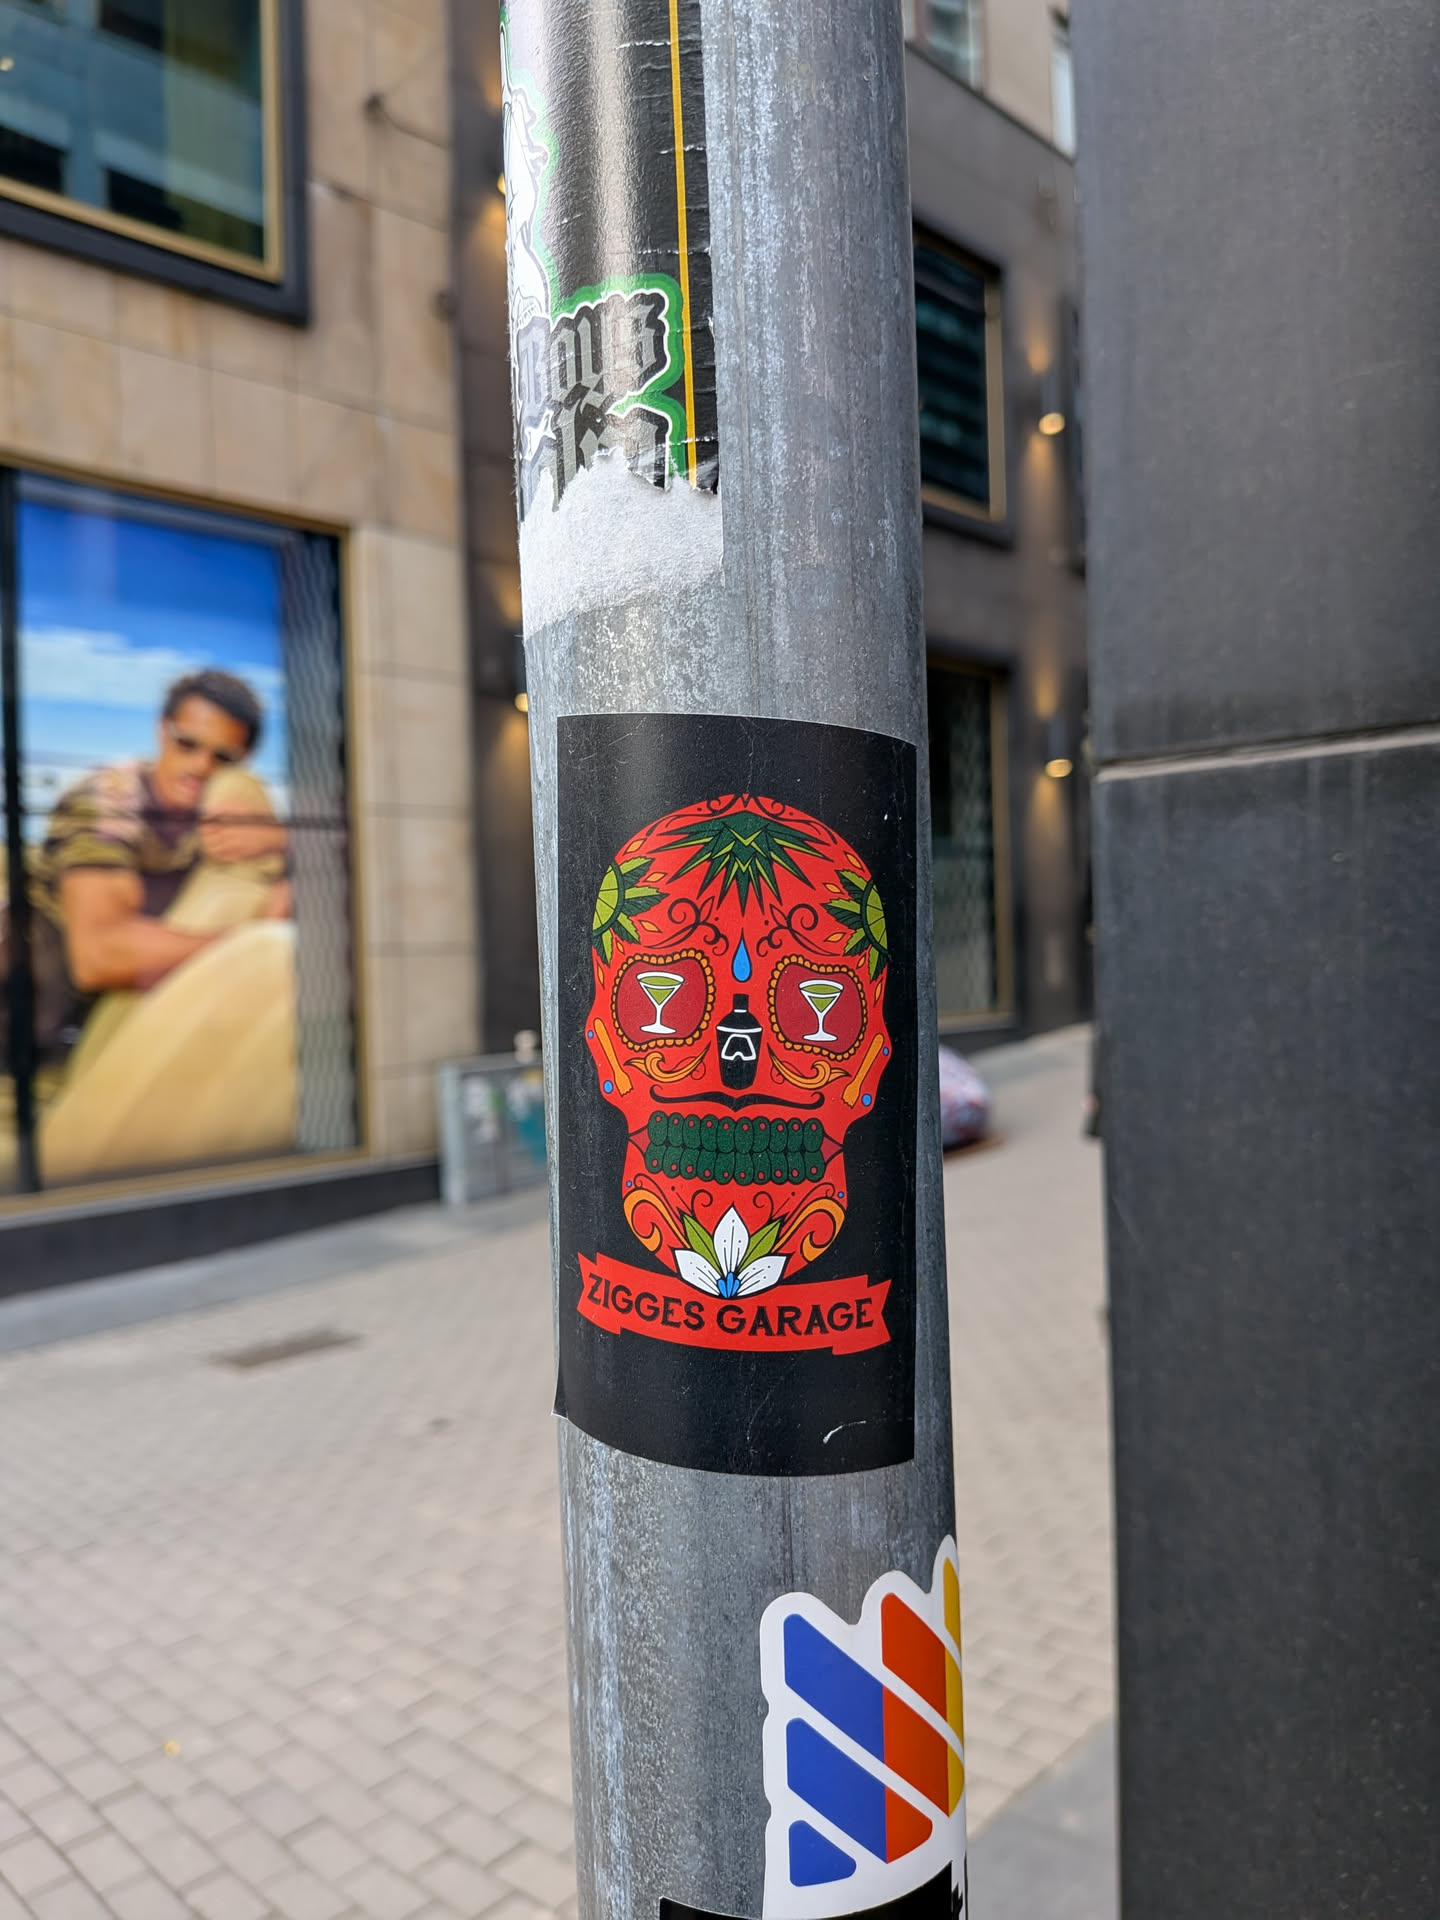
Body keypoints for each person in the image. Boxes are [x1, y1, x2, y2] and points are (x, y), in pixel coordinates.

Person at [31, 669, 288, 1020]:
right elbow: (99, 957)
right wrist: (244, 947)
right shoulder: (108, 802)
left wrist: (282, 839)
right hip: (38, 1027)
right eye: (187, 744)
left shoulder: (219, 812)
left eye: (223, 757)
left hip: (131, 1017)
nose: (201, 766)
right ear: (161, 730)